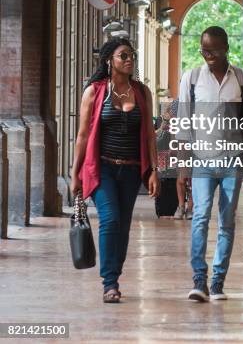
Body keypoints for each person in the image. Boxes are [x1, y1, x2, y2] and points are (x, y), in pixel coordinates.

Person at [70, 38, 159, 303]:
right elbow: (83, 135)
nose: (129, 60)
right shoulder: (95, 92)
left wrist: (154, 170)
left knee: (123, 226)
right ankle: (109, 283)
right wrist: (75, 174)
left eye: (131, 55)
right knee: (110, 219)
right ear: (110, 60)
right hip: (103, 168)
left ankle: (114, 275)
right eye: (123, 56)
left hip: (131, 171)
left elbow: (150, 137)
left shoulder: (142, 92)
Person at [177, 26, 243, 302]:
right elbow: (184, 125)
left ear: (226, 49)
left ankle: (218, 281)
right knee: (199, 216)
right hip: (201, 160)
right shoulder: (192, 78)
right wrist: (182, 168)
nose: (207, 54)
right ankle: (199, 279)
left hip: (233, 160)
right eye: (203, 49)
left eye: (212, 49)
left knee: (227, 221)